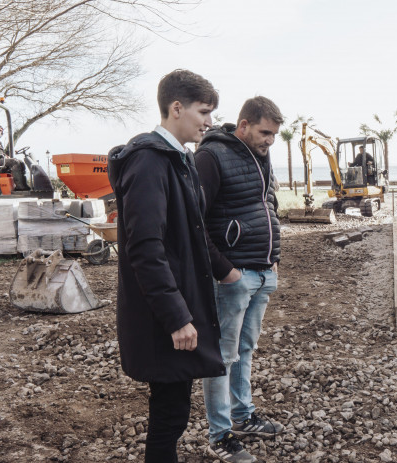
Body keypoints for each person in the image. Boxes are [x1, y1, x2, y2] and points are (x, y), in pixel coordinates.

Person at [107, 69, 230, 463]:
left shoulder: (180, 160)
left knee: (173, 408)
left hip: (177, 303)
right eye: (204, 111)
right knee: (169, 413)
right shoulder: (149, 162)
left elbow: (191, 232)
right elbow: (145, 248)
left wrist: (225, 271)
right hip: (162, 314)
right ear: (176, 108)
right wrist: (177, 317)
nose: (209, 122)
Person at [195, 96, 283, 463]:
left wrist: (273, 260)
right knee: (221, 357)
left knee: (245, 349)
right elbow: (194, 221)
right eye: (265, 132)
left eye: (275, 135)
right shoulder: (211, 156)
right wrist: (225, 271)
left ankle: (243, 415)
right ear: (243, 125)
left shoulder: (260, 156)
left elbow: (269, 203)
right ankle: (219, 434)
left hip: (262, 273)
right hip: (233, 276)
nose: (270, 141)